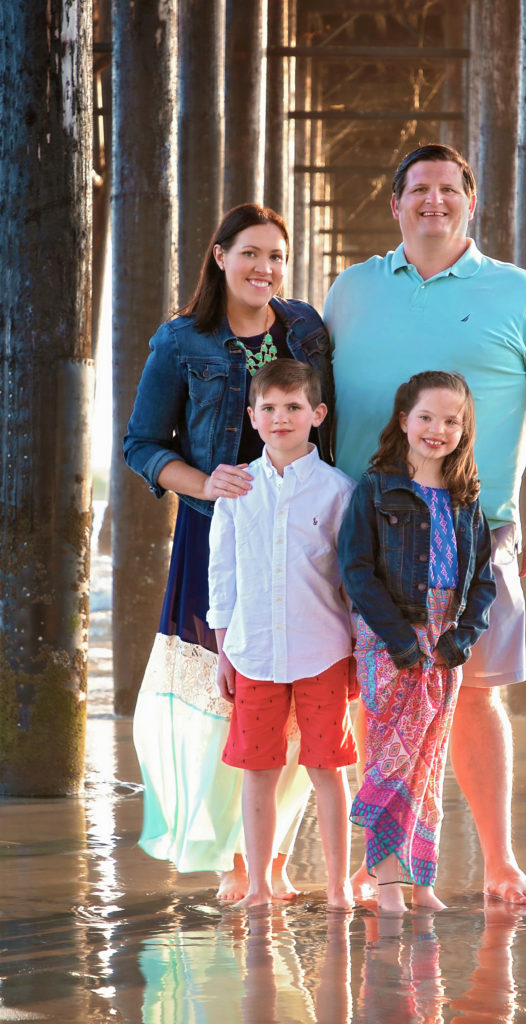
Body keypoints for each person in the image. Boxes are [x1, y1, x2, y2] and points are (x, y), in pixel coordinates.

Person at [325, 143, 526, 906]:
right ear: (394, 203)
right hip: (363, 525)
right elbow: (308, 401)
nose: (432, 202)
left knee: (471, 692)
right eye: (418, 190)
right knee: (365, 692)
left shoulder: (518, 293)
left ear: (470, 203)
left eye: (448, 190)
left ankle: (499, 862)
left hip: (477, 531)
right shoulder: (350, 289)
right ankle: (377, 865)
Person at [124, 203, 335, 900]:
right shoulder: (181, 342)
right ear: (219, 256)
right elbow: (142, 445)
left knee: (301, 690)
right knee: (233, 698)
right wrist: (204, 482)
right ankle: (236, 860)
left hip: (299, 536)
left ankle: (270, 859)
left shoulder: (304, 329)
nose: (263, 269)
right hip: (217, 538)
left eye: (275, 256)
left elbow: (325, 430)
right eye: (249, 253)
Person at [338, 371, 496, 914]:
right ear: (404, 421)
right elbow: (356, 573)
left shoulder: (465, 498)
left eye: (452, 421)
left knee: (429, 761)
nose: (438, 429)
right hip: (389, 637)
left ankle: (423, 884)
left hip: (444, 639)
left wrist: (463, 637)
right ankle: (386, 889)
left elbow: (483, 580)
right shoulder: (375, 489)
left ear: (464, 430)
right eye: (427, 417)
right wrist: (401, 640)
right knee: (390, 751)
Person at [207, 359, 358, 909]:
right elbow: (221, 575)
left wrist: (359, 654)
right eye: (268, 408)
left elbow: (350, 580)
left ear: (316, 414)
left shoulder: (338, 491)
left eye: (293, 407)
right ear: (252, 416)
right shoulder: (237, 488)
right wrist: (225, 652)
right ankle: (261, 887)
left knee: (327, 767)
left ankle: (339, 887)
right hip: (253, 653)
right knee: (260, 770)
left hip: (323, 650)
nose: (280, 417)